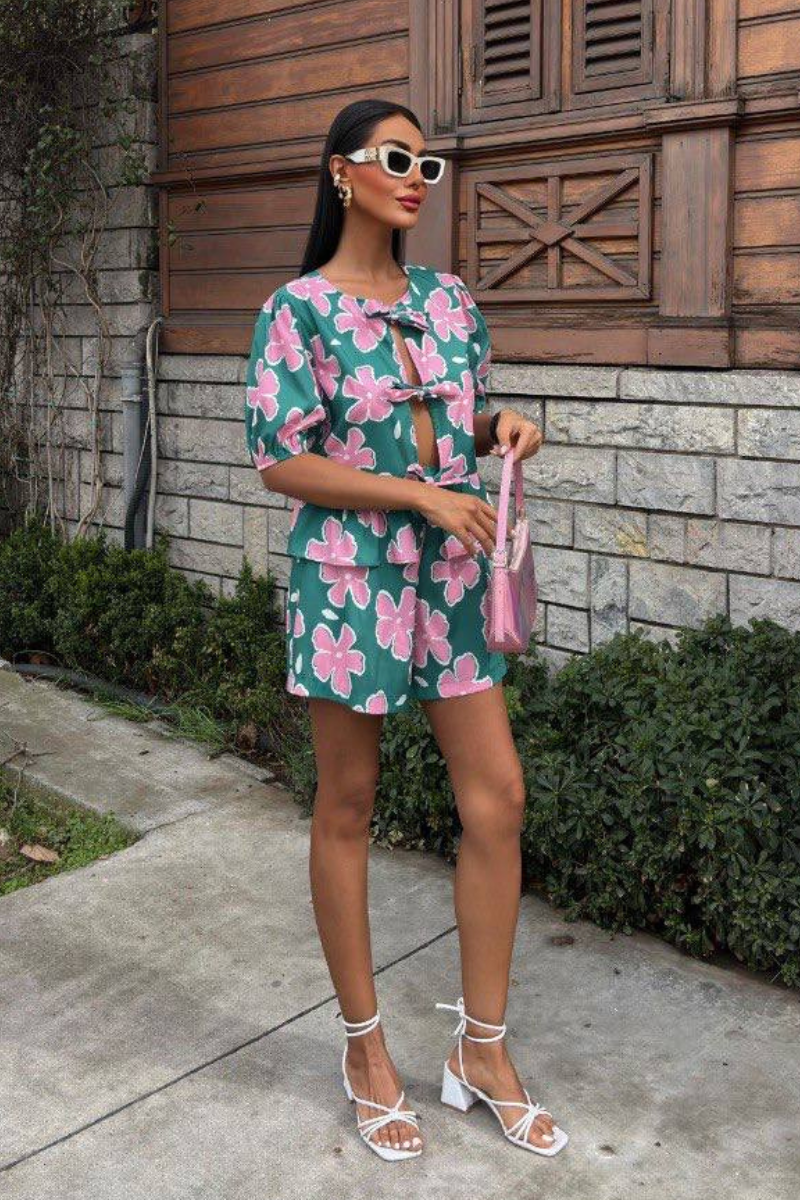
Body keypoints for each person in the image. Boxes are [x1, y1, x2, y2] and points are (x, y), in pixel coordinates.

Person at [244, 97, 567, 1162]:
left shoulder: (448, 298)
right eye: (396, 158)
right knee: (347, 804)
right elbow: (282, 459)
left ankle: (482, 1050)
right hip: (350, 583)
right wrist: (416, 495)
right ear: (341, 171)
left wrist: (498, 425)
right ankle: (365, 1050)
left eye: (427, 163)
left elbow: (455, 415)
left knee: (498, 797)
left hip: (456, 577)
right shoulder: (295, 310)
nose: (417, 177)